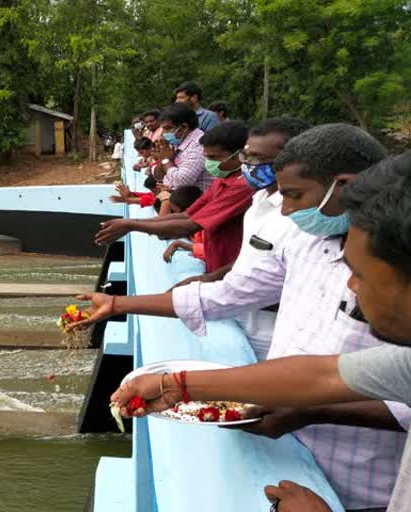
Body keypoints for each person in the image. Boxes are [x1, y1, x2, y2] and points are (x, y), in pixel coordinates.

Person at [77, 125, 407, 511]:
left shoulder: (390, 259)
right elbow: (323, 373)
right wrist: (176, 384)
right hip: (288, 451)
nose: (351, 284)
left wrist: (309, 410)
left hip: (362, 482)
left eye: (361, 277)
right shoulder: (304, 239)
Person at [173, 117, 311, 359]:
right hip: (247, 316)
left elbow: (246, 286)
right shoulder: (258, 200)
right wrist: (211, 277)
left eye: (257, 159)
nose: (248, 165)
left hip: (277, 324)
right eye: (247, 157)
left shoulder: (303, 219)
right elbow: (248, 261)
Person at [96, 121, 253, 273]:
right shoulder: (222, 180)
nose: (208, 163)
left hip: (232, 271)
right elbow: (187, 215)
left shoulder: (242, 187)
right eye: (207, 157)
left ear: (238, 156)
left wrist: (131, 225)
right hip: (216, 263)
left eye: (214, 157)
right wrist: (130, 223)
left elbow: (191, 224)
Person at [149, 103, 212, 191]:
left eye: (167, 128)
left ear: (183, 127)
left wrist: (166, 160)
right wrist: (163, 161)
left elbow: (182, 182)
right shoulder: (177, 142)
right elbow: (158, 176)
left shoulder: (199, 144)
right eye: (162, 129)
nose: (163, 133)